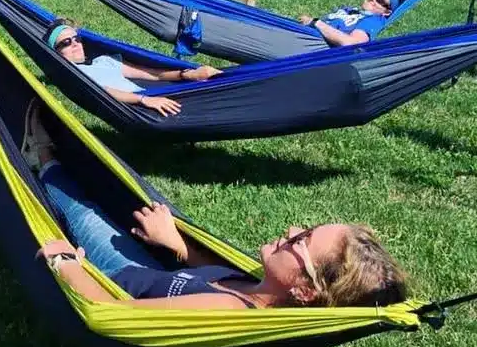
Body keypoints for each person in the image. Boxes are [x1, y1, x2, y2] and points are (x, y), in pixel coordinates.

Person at [22, 101, 408, 310]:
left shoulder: (227, 313)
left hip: (113, 278)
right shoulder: (258, 287)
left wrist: (67, 264)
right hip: (150, 268)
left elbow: (115, 313)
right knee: (105, 196)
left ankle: (43, 160)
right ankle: (56, 160)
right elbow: (211, 275)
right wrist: (178, 244)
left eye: (302, 240)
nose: (291, 231)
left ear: (306, 291)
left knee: (82, 210)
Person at [45, 20, 222, 118]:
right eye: (66, 43)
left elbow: (148, 73)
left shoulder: (104, 61)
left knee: (218, 88)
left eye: (77, 39)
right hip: (137, 108)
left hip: (151, 98)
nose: (75, 44)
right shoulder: (74, 74)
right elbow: (103, 91)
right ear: (56, 53)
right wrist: (143, 100)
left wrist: (187, 74)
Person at [298, 0, 400, 47]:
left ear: (386, 12)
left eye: (380, 0)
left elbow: (352, 44)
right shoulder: (352, 10)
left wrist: (316, 23)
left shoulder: (373, 21)